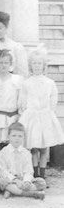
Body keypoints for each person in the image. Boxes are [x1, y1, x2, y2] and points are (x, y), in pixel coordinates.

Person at [18, 47, 64, 179]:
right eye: (34, 63)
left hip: (45, 116)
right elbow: (22, 100)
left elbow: (53, 99)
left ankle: (42, 175)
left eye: (39, 63)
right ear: (30, 65)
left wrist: (48, 111)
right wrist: (26, 112)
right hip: (31, 117)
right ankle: (35, 173)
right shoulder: (26, 83)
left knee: (44, 147)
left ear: (44, 66)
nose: (37, 66)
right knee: (33, 147)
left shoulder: (50, 83)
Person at [0, 49, 23, 179]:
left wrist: (19, 114)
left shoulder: (17, 80)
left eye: (6, 62)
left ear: (10, 64)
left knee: (10, 144)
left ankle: (11, 173)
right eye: (1, 62)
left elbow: (20, 98)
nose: (3, 65)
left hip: (12, 116)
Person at [0, 122, 46, 200]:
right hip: (9, 179)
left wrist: (26, 181)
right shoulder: (3, 153)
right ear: (8, 136)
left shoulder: (26, 153)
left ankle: (12, 191)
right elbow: (3, 172)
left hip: (23, 179)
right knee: (0, 182)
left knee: (41, 182)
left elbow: (29, 171)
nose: (17, 138)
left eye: (20, 136)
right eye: (14, 135)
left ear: (23, 137)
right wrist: (15, 181)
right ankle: (31, 194)